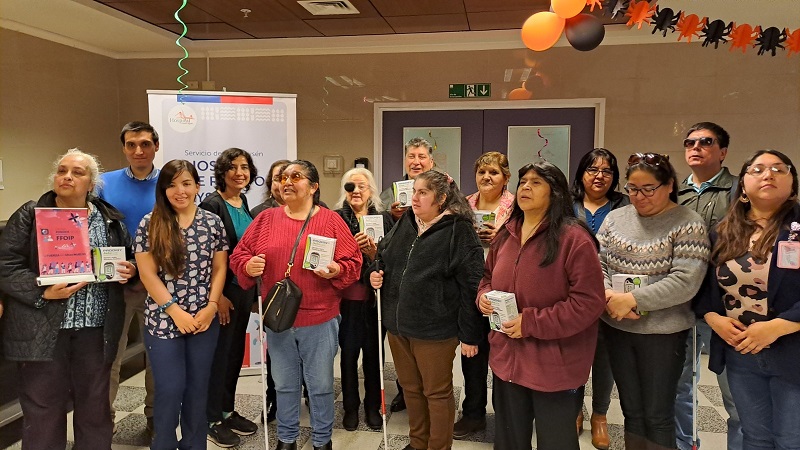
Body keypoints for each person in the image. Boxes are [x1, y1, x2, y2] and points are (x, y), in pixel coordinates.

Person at [0, 149, 136, 449]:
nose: (67, 177)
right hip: (43, 328)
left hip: (96, 330)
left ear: (92, 184)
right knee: (44, 409)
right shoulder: (31, 214)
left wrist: (130, 269)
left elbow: (128, 258)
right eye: (62, 171)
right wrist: (41, 290)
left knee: (95, 407)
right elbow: (6, 265)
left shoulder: (109, 219)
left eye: (77, 172)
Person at [230, 160, 362, 450]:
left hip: (320, 318)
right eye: (283, 177)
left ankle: (322, 440)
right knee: (284, 384)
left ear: (313, 187)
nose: (287, 182)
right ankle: (286, 439)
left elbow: (353, 262)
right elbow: (239, 255)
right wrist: (248, 265)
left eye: (296, 177)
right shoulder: (266, 220)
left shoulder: (331, 221)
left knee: (321, 386)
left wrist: (336, 270)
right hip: (279, 318)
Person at [477, 162, 606, 450]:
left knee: (556, 442)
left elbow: (589, 303)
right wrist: (483, 296)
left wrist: (531, 322)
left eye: (536, 182)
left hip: (554, 366)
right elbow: (487, 277)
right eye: (523, 181)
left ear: (555, 192)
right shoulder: (506, 233)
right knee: (509, 441)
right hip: (507, 361)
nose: (525, 187)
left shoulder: (574, 239)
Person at [598, 153, 710, 450]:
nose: (640, 196)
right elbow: (597, 263)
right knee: (631, 411)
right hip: (617, 327)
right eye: (633, 189)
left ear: (669, 185)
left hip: (663, 334)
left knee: (658, 414)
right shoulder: (615, 219)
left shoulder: (688, 223)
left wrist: (632, 299)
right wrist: (609, 297)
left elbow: (686, 281)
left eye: (649, 189)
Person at [370, 170, 484, 450]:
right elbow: (383, 254)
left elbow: (471, 286)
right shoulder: (407, 221)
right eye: (414, 191)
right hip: (399, 326)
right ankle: (418, 443)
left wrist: (470, 335)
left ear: (441, 198)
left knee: (436, 393)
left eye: (423, 193)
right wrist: (373, 273)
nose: (414, 198)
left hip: (435, 330)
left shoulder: (459, 230)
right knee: (411, 389)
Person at [695, 150, 800, 450]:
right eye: (758, 169)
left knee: (791, 439)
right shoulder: (723, 232)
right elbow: (704, 288)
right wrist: (714, 319)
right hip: (740, 352)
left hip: (792, 352)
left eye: (779, 169)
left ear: (792, 183)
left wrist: (780, 326)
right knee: (754, 437)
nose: (768, 175)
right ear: (742, 185)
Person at [133, 160, 229, 450]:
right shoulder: (150, 223)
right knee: (170, 389)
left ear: (198, 186)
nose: (180, 191)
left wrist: (212, 306)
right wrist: (175, 312)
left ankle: (194, 445)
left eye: (186, 183)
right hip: (163, 319)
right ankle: (163, 444)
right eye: (172, 185)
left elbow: (219, 268)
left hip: (204, 318)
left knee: (198, 389)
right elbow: (148, 274)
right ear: (163, 189)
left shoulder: (212, 222)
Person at [675, 122, 742, 450]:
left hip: (726, 305)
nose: (696, 148)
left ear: (723, 151)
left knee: (735, 394)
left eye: (705, 142)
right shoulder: (674, 193)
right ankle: (684, 444)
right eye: (690, 143)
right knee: (680, 385)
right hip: (682, 302)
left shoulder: (739, 190)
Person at [99, 121, 160, 437]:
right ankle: (102, 422)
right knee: (109, 357)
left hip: (158, 285)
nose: (139, 150)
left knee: (158, 358)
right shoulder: (103, 184)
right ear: (123, 148)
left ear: (156, 147)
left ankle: (155, 418)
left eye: (145, 144)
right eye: (131, 144)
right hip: (115, 285)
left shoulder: (170, 183)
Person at [570, 148, 629, 450]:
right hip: (572, 293)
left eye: (607, 171)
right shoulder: (566, 205)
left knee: (605, 358)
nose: (599, 176)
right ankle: (575, 409)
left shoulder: (624, 206)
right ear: (581, 173)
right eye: (592, 169)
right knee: (575, 354)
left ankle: (600, 416)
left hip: (610, 294)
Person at [200, 148, 260, 447]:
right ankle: (211, 418)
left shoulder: (242, 201)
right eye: (233, 167)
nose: (240, 173)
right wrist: (219, 296)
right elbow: (207, 257)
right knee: (219, 357)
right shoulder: (212, 205)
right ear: (222, 172)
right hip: (223, 295)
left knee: (234, 354)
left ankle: (226, 409)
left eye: (244, 167)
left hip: (242, 291)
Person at [454, 151, 515, 439]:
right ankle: (473, 414)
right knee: (472, 356)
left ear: (506, 177)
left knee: (506, 358)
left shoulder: (517, 207)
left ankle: (507, 418)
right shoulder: (463, 205)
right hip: (471, 291)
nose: (486, 177)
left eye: (493, 172)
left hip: (505, 291)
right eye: (482, 172)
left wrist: (500, 237)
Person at [333, 167, 394, 432]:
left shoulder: (385, 218)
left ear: (371, 190)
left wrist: (373, 253)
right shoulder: (335, 218)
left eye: (362, 186)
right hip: (346, 300)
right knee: (347, 355)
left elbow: (392, 257)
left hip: (374, 299)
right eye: (350, 187)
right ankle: (350, 407)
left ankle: (372, 406)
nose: (356, 191)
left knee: (373, 355)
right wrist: (351, 250)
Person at [377, 137, 436, 411]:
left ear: (431, 161)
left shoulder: (444, 189)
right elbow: (379, 230)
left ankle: (431, 393)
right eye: (411, 156)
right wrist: (391, 217)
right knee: (402, 340)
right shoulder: (390, 192)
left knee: (427, 344)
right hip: (398, 277)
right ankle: (405, 391)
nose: (416, 161)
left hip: (430, 275)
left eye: (422, 156)